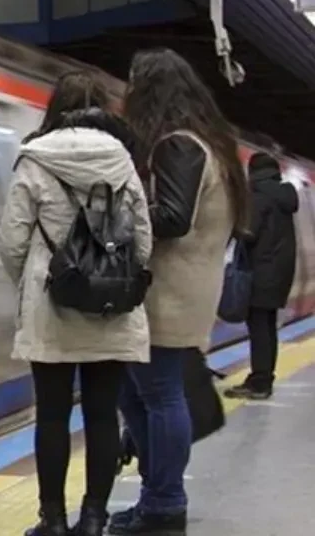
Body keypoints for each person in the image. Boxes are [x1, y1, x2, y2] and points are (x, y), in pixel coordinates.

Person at [0, 72, 153, 536]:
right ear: (103, 110)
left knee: (51, 415)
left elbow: (12, 241)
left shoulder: (35, 159)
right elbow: (143, 240)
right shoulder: (123, 162)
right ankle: (93, 519)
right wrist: (116, 282)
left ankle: (53, 521)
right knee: (103, 415)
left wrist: (32, 285)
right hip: (110, 312)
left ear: (55, 109)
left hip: (52, 309)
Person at [110, 48, 249, 536]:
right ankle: (156, 499)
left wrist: (117, 219)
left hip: (168, 292)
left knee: (159, 395)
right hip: (185, 288)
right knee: (139, 394)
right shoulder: (210, 144)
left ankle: (165, 504)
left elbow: (171, 217)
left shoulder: (178, 145)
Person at [224, 152, 298, 400]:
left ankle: (260, 383)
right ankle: (264, 378)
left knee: (259, 329)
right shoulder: (283, 196)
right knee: (266, 327)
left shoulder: (259, 196)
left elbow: (248, 232)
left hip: (260, 272)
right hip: (278, 273)